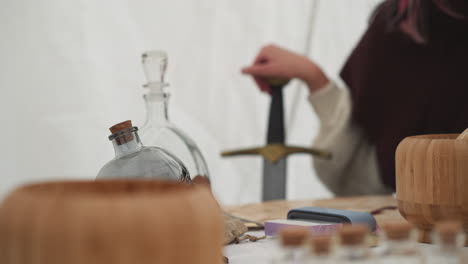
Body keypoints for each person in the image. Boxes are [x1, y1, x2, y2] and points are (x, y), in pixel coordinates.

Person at [241, 0, 468, 196]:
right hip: (413, 214)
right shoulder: (401, 19)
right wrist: (312, 76)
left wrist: (312, 76)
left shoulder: (402, 20)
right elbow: (361, 164)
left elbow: (356, 171)